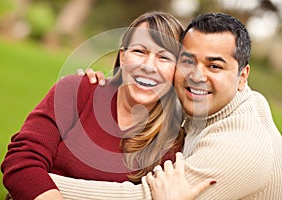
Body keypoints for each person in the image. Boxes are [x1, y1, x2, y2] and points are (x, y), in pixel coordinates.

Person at [50, 12, 282, 199]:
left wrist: (39, 184)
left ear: (243, 76)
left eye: (214, 66)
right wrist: (98, 87)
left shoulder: (241, 148)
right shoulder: (210, 103)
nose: (196, 76)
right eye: (188, 61)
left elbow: (145, 197)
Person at [1, 11, 215, 200]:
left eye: (164, 57)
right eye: (139, 51)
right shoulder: (77, 91)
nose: (149, 66)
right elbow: (21, 160)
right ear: (123, 57)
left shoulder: (171, 142)